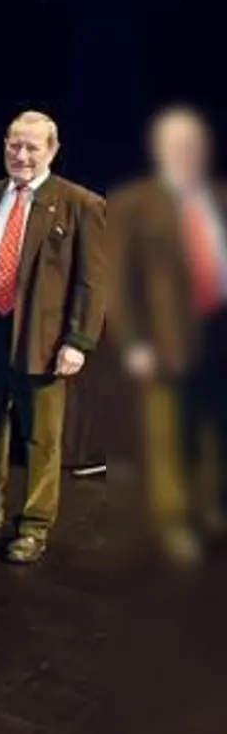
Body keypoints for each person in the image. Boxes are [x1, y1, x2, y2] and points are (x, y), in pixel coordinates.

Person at [0, 111, 108, 564]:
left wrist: (78, 341)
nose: (21, 155)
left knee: (41, 436)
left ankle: (34, 525)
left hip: (43, 336)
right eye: (14, 145)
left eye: (32, 147)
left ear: (52, 150)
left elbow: (93, 281)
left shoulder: (81, 204)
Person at [108, 105, 227, 562]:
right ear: (157, 149)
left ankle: (212, 507)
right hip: (166, 339)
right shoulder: (133, 203)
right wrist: (133, 343)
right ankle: (175, 520)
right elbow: (118, 282)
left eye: (193, 144)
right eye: (176, 144)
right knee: (169, 438)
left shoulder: (219, 195)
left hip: (219, 334)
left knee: (216, 430)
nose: (187, 152)